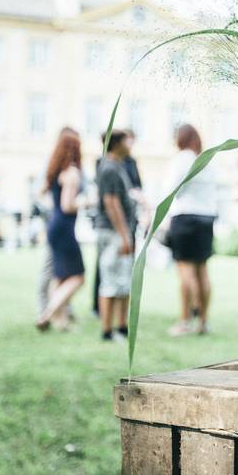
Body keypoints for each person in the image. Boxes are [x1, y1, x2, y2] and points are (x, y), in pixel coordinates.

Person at [166, 124, 218, 336]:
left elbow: (173, 190)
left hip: (185, 218)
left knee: (186, 272)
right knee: (203, 272)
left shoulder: (182, 159)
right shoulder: (205, 160)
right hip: (206, 219)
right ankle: (203, 321)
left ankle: (185, 320)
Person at [36, 129, 85, 331]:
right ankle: (47, 313)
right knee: (78, 277)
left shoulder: (55, 171)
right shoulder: (72, 173)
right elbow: (68, 205)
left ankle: (60, 322)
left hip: (54, 224)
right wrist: (85, 201)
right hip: (65, 227)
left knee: (60, 276)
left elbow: (41, 193)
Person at [95, 129, 136, 342]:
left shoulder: (117, 166)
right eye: (126, 141)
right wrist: (124, 235)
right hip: (113, 232)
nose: (130, 145)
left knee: (122, 281)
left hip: (117, 232)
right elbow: (111, 203)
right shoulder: (109, 168)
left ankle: (120, 327)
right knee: (111, 281)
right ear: (116, 144)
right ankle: (107, 330)